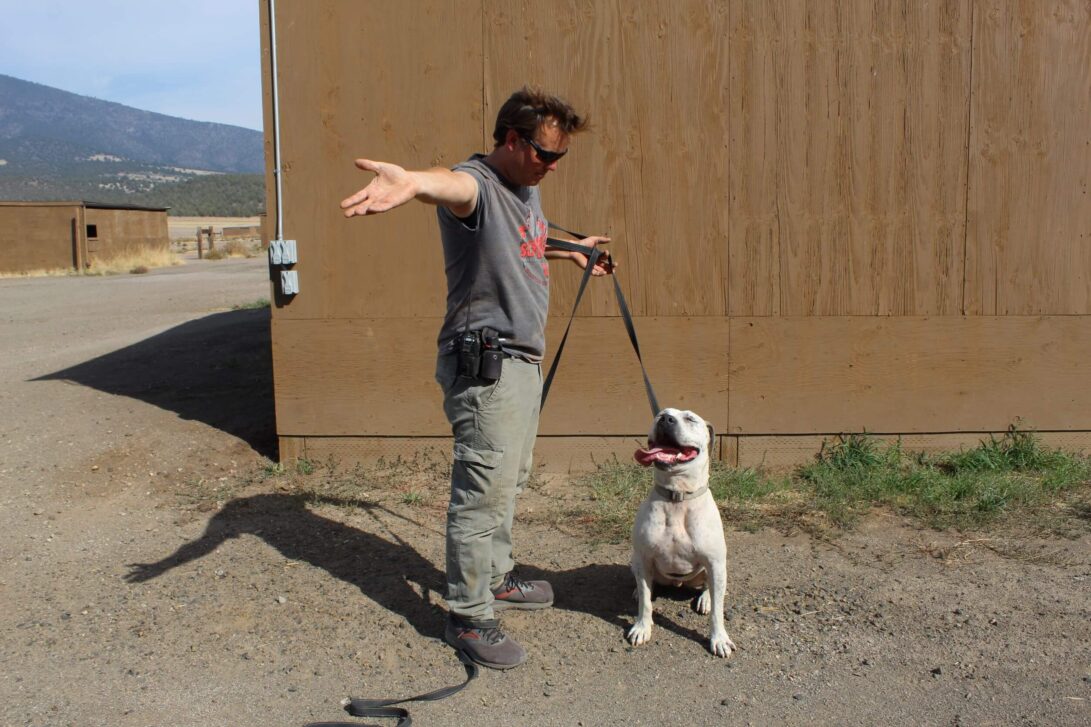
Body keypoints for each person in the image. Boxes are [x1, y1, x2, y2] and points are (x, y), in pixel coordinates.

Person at [340, 87, 614, 669]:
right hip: (488, 367)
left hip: (521, 364)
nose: (552, 166)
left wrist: (572, 249)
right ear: (512, 140)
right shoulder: (478, 185)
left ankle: (496, 577)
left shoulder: (525, 190)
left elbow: (522, 241)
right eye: (546, 154)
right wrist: (412, 181)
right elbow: (452, 185)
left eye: (561, 156)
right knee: (480, 494)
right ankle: (467, 615)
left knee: (507, 481)